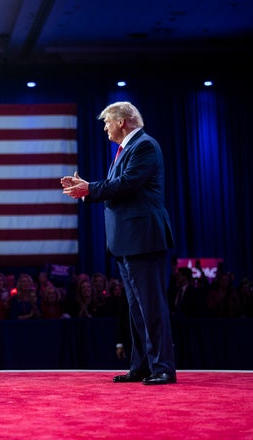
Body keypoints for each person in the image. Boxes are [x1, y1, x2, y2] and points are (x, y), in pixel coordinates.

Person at [61, 101, 177, 385]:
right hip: (128, 241)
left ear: (122, 121)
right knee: (136, 308)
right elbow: (119, 186)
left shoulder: (145, 146)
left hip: (144, 239)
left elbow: (126, 183)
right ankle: (142, 365)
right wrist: (87, 189)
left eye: (107, 122)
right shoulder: (128, 149)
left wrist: (90, 189)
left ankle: (163, 367)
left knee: (151, 306)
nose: (105, 127)